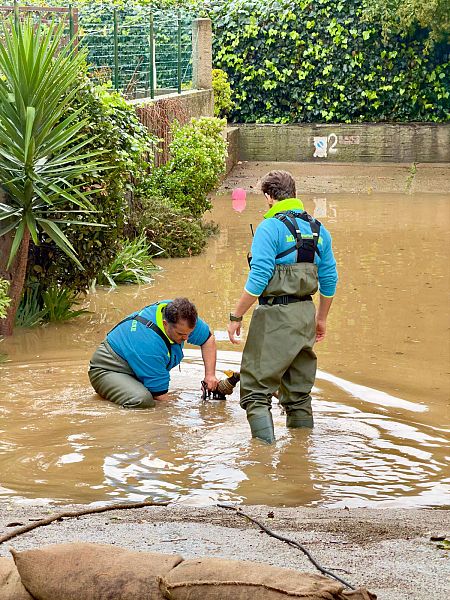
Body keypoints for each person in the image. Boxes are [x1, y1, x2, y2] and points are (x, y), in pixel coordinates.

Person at [227, 170, 338, 443]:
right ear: (294, 193)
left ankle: (262, 457)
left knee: (255, 392)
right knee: (298, 394)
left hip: (275, 317)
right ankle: (301, 453)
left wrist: (236, 315)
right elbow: (329, 279)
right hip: (305, 316)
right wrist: (321, 319)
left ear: (269, 196)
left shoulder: (270, 228)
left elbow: (259, 277)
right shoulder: (319, 230)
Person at [89, 297, 219, 408]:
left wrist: (210, 375)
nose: (186, 338)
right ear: (165, 324)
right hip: (109, 368)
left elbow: (208, 339)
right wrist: (186, 410)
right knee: (143, 400)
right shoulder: (149, 343)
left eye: (189, 333)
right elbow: (160, 397)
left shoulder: (182, 316)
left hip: (136, 361)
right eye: (181, 334)